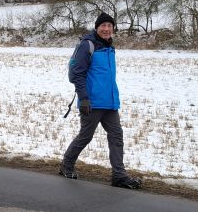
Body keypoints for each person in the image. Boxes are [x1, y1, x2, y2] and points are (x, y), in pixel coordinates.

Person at [60, 12, 142, 189]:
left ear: (113, 29)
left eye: (109, 26)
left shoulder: (110, 48)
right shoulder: (87, 45)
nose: (106, 29)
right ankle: (66, 165)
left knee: (116, 136)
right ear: (97, 28)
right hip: (92, 102)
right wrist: (84, 99)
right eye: (103, 26)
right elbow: (76, 74)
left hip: (110, 103)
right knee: (86, 136)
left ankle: (119, 176)